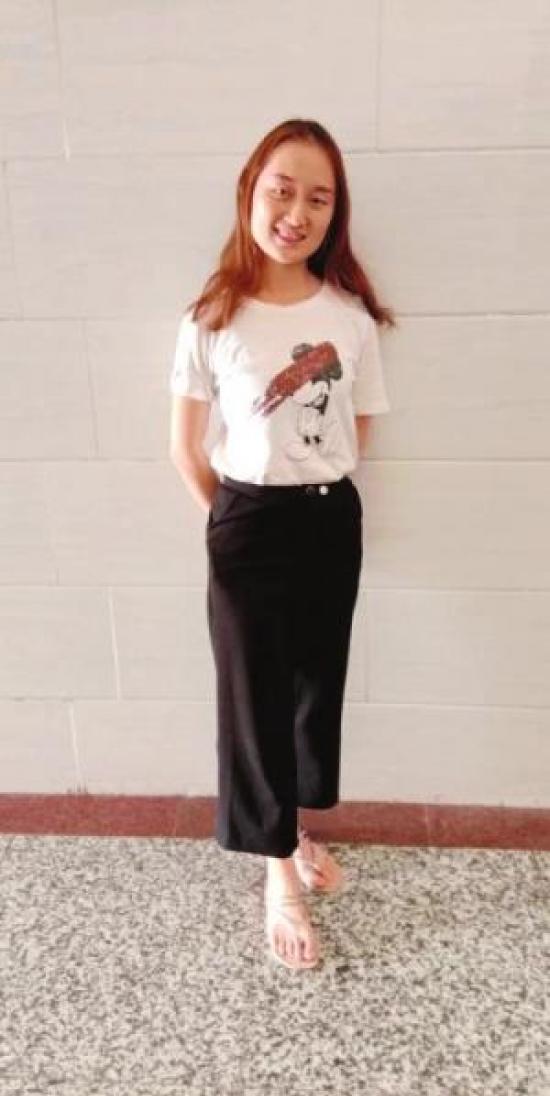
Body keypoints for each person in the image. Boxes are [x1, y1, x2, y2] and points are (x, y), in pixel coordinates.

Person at [169, 118, 396, 970]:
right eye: (281, 190)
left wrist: (312, 491)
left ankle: (292, 829)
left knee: (311, 689)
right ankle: (276, 874)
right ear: (250, 194)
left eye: (318, 198)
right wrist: (233, 522)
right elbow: (184, 448)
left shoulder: (350, 318)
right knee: (254, 699)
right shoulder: (212, 316)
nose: (296, 213)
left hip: (329, 519)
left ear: (335, 214)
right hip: (246, 521)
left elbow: (358, 430)